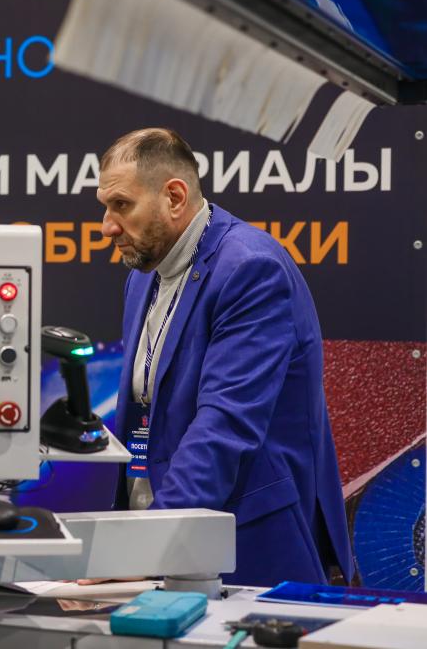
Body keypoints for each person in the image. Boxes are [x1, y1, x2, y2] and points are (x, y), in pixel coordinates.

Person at [96, 128, 353, 587]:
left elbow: (226, 426)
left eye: (121, 205)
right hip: (163, 535)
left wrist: (148, 544)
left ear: (175, 197)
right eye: (105, 206)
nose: (107, 226)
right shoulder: (143, 275)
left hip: (246, 543)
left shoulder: (251, 269)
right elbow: (145, 409)